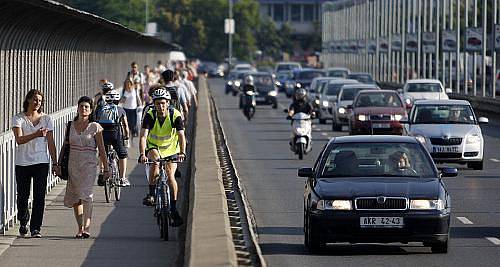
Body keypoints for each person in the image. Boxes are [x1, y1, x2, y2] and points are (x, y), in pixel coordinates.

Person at [58, 96, 109, 238]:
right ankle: (79, 227)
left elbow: (102, 149)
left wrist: (106, 169)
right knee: (76, 197)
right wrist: (57, 164)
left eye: (86, 107)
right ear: (77, 108)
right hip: (73, 165)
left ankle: (87, 227)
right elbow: (65, 146)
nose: (83, 109)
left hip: (89, 165)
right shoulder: (70, 125)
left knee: (86, 194)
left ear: (91, 110)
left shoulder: (95, 127)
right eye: (81, 106)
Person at [12, 89, 58, 238]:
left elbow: (50, 143)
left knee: (39, 196)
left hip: (41, 162)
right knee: (23, 196)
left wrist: (55, 162)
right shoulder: (18, 118)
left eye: (40, 101)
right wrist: (36, 134)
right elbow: (19, 140)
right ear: (28, 100)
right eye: (35, 100)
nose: (37, 103)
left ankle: (35, 228)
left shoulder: (46, 119)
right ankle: (23, 222)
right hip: (23, 163)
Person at [139, 88, 186, 227]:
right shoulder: (150, 115)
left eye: (163, 103)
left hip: (171, 149)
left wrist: (182, 152)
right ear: (154, 104)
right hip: (153, 146)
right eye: (158, 103)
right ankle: (152, 194)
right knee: (155, 162)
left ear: (168, 103)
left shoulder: (175, 115)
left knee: (171, 176)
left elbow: (181, 136)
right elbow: (143, 136)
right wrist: (142, 154)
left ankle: (173, 208)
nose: (161, 106)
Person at [95, 87, 131, 187]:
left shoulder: (100, 109)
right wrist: (127, 137)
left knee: (103, 154)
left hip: (102, 135)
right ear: (117, 100)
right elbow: (126, 126)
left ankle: (102, 172)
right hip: (115, 135)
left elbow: (96, 123)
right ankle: (122, 178)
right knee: (123, 154)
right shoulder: (120, 110)